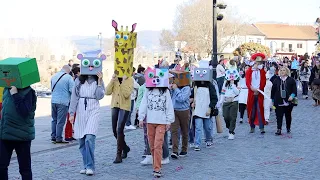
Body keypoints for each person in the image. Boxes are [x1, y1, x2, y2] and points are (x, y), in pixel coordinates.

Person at [138, 68, 174, 178]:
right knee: (152, 146)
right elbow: (143, 104)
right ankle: (155, 164)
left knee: (158, 145)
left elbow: (169, 106)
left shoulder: (166, 91)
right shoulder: (148, 91)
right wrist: (141, 117)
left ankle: (157, 169)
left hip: (161, 122)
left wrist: (169, 120)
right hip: (150, 122)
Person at [68, 72, 104, 175]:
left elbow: (99, 96)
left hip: (93, 109)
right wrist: (71, 113)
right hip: (81, 110)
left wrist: (100, 81)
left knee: (89, 138)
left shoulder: (98, 80)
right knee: (82, 141)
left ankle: (90, 166)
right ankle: (85, 164)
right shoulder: (79, 80)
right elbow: (74, 97)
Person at [0, 85, 37, 180]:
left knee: (25, 169)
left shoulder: (29, 92)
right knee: (1, 166)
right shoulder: (6, 89)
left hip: (22, 136)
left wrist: (15, 94)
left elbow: (24, 111)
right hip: (5, 134)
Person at [106, 74, 133, 163]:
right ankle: (125, 148)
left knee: (119, 129)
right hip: (115, 105)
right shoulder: (115, 78)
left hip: (124, 107)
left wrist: (124, 81)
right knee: (114, 131)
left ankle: (118, 155)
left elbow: (126, 94)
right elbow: (107, 92)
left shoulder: (130, 79)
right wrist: (112, 80)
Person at [51, 65, 75, 143]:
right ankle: (59, 138)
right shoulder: (68, 77)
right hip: (63, 102)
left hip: (53, 101)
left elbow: (52, 88)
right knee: (60, 121)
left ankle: (53, 136)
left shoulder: (54, 76)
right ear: (68, 70)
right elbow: (72, 90)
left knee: (54, 120)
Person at [271, 67, 297, 135]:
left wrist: (292, 96)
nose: (282, 71)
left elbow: (294, 90)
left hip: (288, 101)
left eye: (284, 70)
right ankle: (279, 129)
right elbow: (273, 91)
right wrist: (272, 100)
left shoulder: (291, 80)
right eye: (281, 70)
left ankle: (288, 127)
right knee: (278, 116)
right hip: (278, 101)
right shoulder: (276, 80)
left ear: (287, 71)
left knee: (288, 116)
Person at [245, 53, 267, 134]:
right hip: (251, 93)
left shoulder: (262, 72)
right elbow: (247, 82)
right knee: (252, 109)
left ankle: (261, 127)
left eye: (260, 63)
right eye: (257, 63)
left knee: (260, 109)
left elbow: (264, 82)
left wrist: (259, 90)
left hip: (260, 93)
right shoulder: (249, 71)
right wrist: (252, 89)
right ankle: (252, 126)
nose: (258, 64)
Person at [217, 69, 240, 140]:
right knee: (226, 116)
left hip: (234, 101)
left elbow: (237, 92)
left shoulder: (237, 83)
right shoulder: (225, 83)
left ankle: (231, 132)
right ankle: (229, 127)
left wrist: (233, 84)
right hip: (226, 102)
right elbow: (223, 92)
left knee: (233, 117)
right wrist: (220, 101)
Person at [65, 64, 80, 141]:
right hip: (72, 101)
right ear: (78, 72)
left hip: (70, 101)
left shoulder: (74, 79)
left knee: (71, 118)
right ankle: (68, 135)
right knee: (71, 118)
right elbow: (73, 91)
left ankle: (70, 134)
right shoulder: (76, 80)